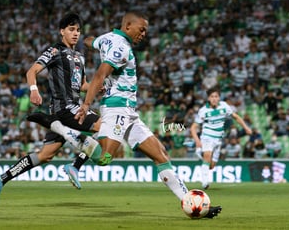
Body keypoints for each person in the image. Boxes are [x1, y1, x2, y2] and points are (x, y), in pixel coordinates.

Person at [74, 11, 221, 218]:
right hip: (117, 108)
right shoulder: (121, 47)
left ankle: (190, 203)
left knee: (160, 154)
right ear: (127, 27)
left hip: (129, 111)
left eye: (146, 31)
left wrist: (84, 40)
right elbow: (100, 74)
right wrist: (86, 104)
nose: (143, 34)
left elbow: (91, 41)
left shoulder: (108, 38)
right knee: (105, 158)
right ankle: (69, 135)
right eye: (141, 30)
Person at [0, 13, 104, 204]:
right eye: (71, 29)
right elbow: (31, 71)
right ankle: (75, 166)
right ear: (62, 32)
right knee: (105, 126)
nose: (75, 33)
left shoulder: (80, 57)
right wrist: (34, 90)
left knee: (45, 155)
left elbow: (82, 84)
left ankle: (2, 178)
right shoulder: (55, 51)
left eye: (78, 30)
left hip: (69, 109)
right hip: (66, 107)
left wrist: (95, 87)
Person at [190, 86, 252, 190]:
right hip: (207, 137)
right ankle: (205, 182)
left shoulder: (224, 106)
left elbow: (236, 117)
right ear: (208, 98)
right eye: (212, 96)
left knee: (211, 166)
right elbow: (193, 128)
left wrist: (246, 128)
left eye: (216, 96)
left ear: (219, 98)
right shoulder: (203, 111)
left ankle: (203, 155)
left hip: (218, 139)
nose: (214, 98)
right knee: (207, 155)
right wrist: (197, 141)